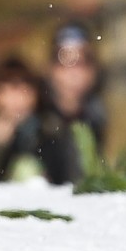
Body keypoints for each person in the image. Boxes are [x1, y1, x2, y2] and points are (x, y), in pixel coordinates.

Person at [37, 22, 108, 185]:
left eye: (83, 60)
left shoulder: (114, 117)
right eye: (63, 59)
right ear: (48, 68)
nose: (73, 72)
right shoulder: (31, 118)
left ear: (95, 67)